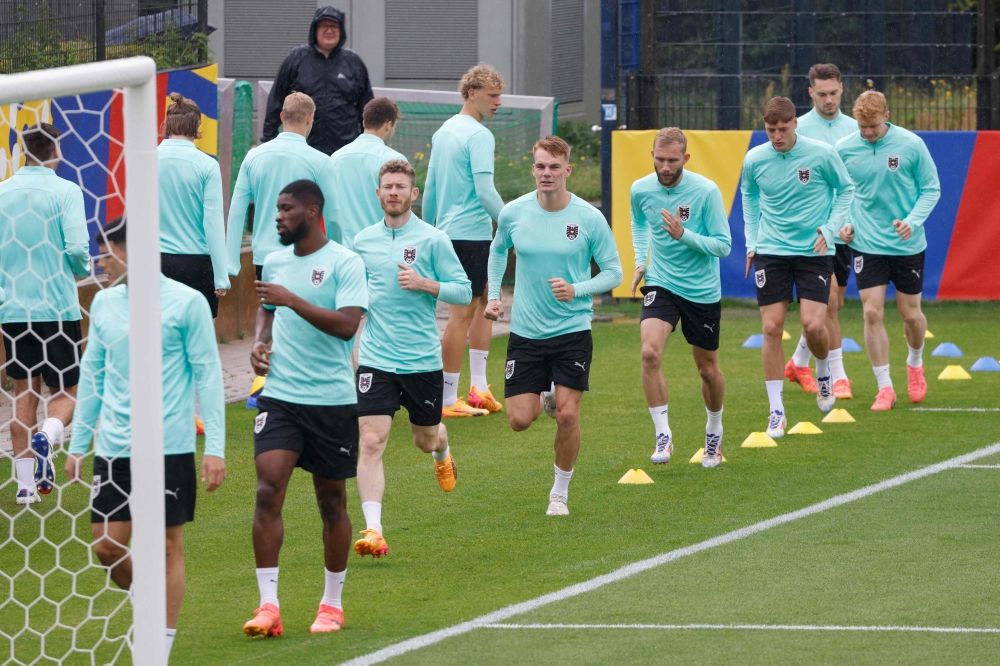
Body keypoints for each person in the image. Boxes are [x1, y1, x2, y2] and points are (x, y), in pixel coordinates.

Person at [64, 217, 227, 661]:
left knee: (169, 545)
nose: (101, 264)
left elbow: (210, 377)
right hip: (114, 448)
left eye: (107, 254)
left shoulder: (186, 303)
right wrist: (79, 443)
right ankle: (148, 607)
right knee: (107, 544)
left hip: (169, 446)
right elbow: (93, 374)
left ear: (132, 251)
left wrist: (214, 445)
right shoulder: (104, 305)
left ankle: (160, 648)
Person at [243, 180, 367, 637]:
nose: (277, 216)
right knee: (267, 490)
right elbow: (267, 310)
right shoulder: (274, 261)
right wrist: (259, 343)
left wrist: (293, 299)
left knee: (331, 502)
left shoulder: (344, 262)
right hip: (280, 398)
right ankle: (268, 606)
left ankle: (331, 604)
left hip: (332, 402)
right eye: (277, 209)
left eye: (286, 209)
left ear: (312, 212)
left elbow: (347, 326)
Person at [484, 137, 622, 516]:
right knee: (518, 421)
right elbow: (498, 249)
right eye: (540, 166)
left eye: (554, 167)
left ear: (567, 171)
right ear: (533, 169)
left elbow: (614, 272)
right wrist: (495, 295)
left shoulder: (588, 218)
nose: (547, 173)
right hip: (526, 332)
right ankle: (546, 392)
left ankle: (559, 493)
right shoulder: (514, 213)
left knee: (567, 415)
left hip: (572, 331)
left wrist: (577, 290)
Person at [351, 160, 472, 558]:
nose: (393, 193)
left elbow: (464, 291)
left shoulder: (434, 239)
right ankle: (374, 530)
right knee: (370, 441)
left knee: (425, 438)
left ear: (413, 194)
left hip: (421, 360)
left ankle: (442, 451)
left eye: (401, 187)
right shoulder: (362, 241)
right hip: (376, 357)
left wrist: (425, 284)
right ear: (377, 193)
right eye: (387, 186)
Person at [741, 96, 854, 437]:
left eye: (783, 129)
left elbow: (846, 189)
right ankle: (776, 410)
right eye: (770, 130)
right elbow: (749, 195)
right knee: (772, 328)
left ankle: (823, 372)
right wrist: (752, 240)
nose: (776, 136)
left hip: (814, 250)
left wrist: (830, 228)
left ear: (795, 125)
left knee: (812, 325)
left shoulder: (821, 153)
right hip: (771, 251)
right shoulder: (755, 158)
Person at [629, 128, 731, 468]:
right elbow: (639, 221)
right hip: (661, 283)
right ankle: (663, 434)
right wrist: (640, 261)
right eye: (660, 159)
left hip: (701, 290)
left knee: (707, 370)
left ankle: (714, 430)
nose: (665, 166)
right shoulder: (641, 189)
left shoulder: (706, 191)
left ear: (686, 158)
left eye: (673, 160)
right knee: (649, 353)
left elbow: (723, 245)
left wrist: (683, 235)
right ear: (653, 155)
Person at [0, 123, 89, 505]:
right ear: (56, 151)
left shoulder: (2, 192)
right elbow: (77, 248)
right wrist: (81, 270)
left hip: (13, 307)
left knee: (24, 391)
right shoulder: (66, 191)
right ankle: (49, 436)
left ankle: (23, 487)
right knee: (69, 390)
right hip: (57, 306)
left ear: (22, 150)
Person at [835, 91, 940, 410]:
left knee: (911, 315)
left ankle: (915, 362)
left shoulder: (911, 145)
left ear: (887, 116)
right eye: (862, 127)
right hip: (866, 243)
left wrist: (912, 220)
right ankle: (885, 387)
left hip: (906, 244)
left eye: (874, 126)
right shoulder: (843, 149)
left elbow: (931, 188)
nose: (867, 133)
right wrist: (846, 222)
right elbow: (838, 193)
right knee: (871, 311)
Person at [422, 64, 507, 417]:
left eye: (500, 95)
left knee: (486, 301)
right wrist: (513, 223)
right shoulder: (478, 135)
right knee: (461, 313)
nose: (498, 102)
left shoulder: (443, 131)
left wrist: (426, 232)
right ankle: (446, 399)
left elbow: (430, 190)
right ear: (471, 93)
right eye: (492, 95)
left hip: (451, 233)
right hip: (469, 235)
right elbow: (485, 191)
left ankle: (479, 388)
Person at [786, 64, 858, 399]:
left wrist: (851, 223)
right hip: (812, 233)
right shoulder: (799, 128)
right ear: (810, 93)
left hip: (846, 233)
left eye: (834, 93)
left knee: (835, 304)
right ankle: (838, 376)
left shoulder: (856, 128)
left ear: (842, 89)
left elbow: (856, 186)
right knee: (826, 303)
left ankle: (799, 362)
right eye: (822, 94)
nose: (829, 100)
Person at [226, 92, 339, 282]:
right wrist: (336, 260)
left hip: (265, 259)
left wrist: (230, 263)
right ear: (309, 117)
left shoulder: (253, 157)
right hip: (305, 257)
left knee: (269, 311)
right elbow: (333, 217)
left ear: (281, 116)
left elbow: (237, 212)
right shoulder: (321, 162)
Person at [262, 6, 374, 156]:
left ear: (341, 30)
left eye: (334, 26)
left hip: (344, 152)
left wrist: (369, 144)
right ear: (314, 29)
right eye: (324, 26)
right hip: (302, 150)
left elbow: (367, 108)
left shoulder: (353, 62)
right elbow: (275, 102)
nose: (329, 30)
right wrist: (268, 142)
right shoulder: (296, 58)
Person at [158, 92, 230, 320]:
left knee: (157, 340)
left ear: (167, 124)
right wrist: (221, 276)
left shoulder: (146, 159)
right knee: (196, 342)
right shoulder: (207, 166)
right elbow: (213, 222)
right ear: (198, 125)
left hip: (155, 261)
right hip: (196, 264)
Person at [328, 97, 407, 251]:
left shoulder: (335, 158)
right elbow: (402, 212)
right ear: (388, 124)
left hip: (342, 252)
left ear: (364, 122)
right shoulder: (395, 160)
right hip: (381, 251)